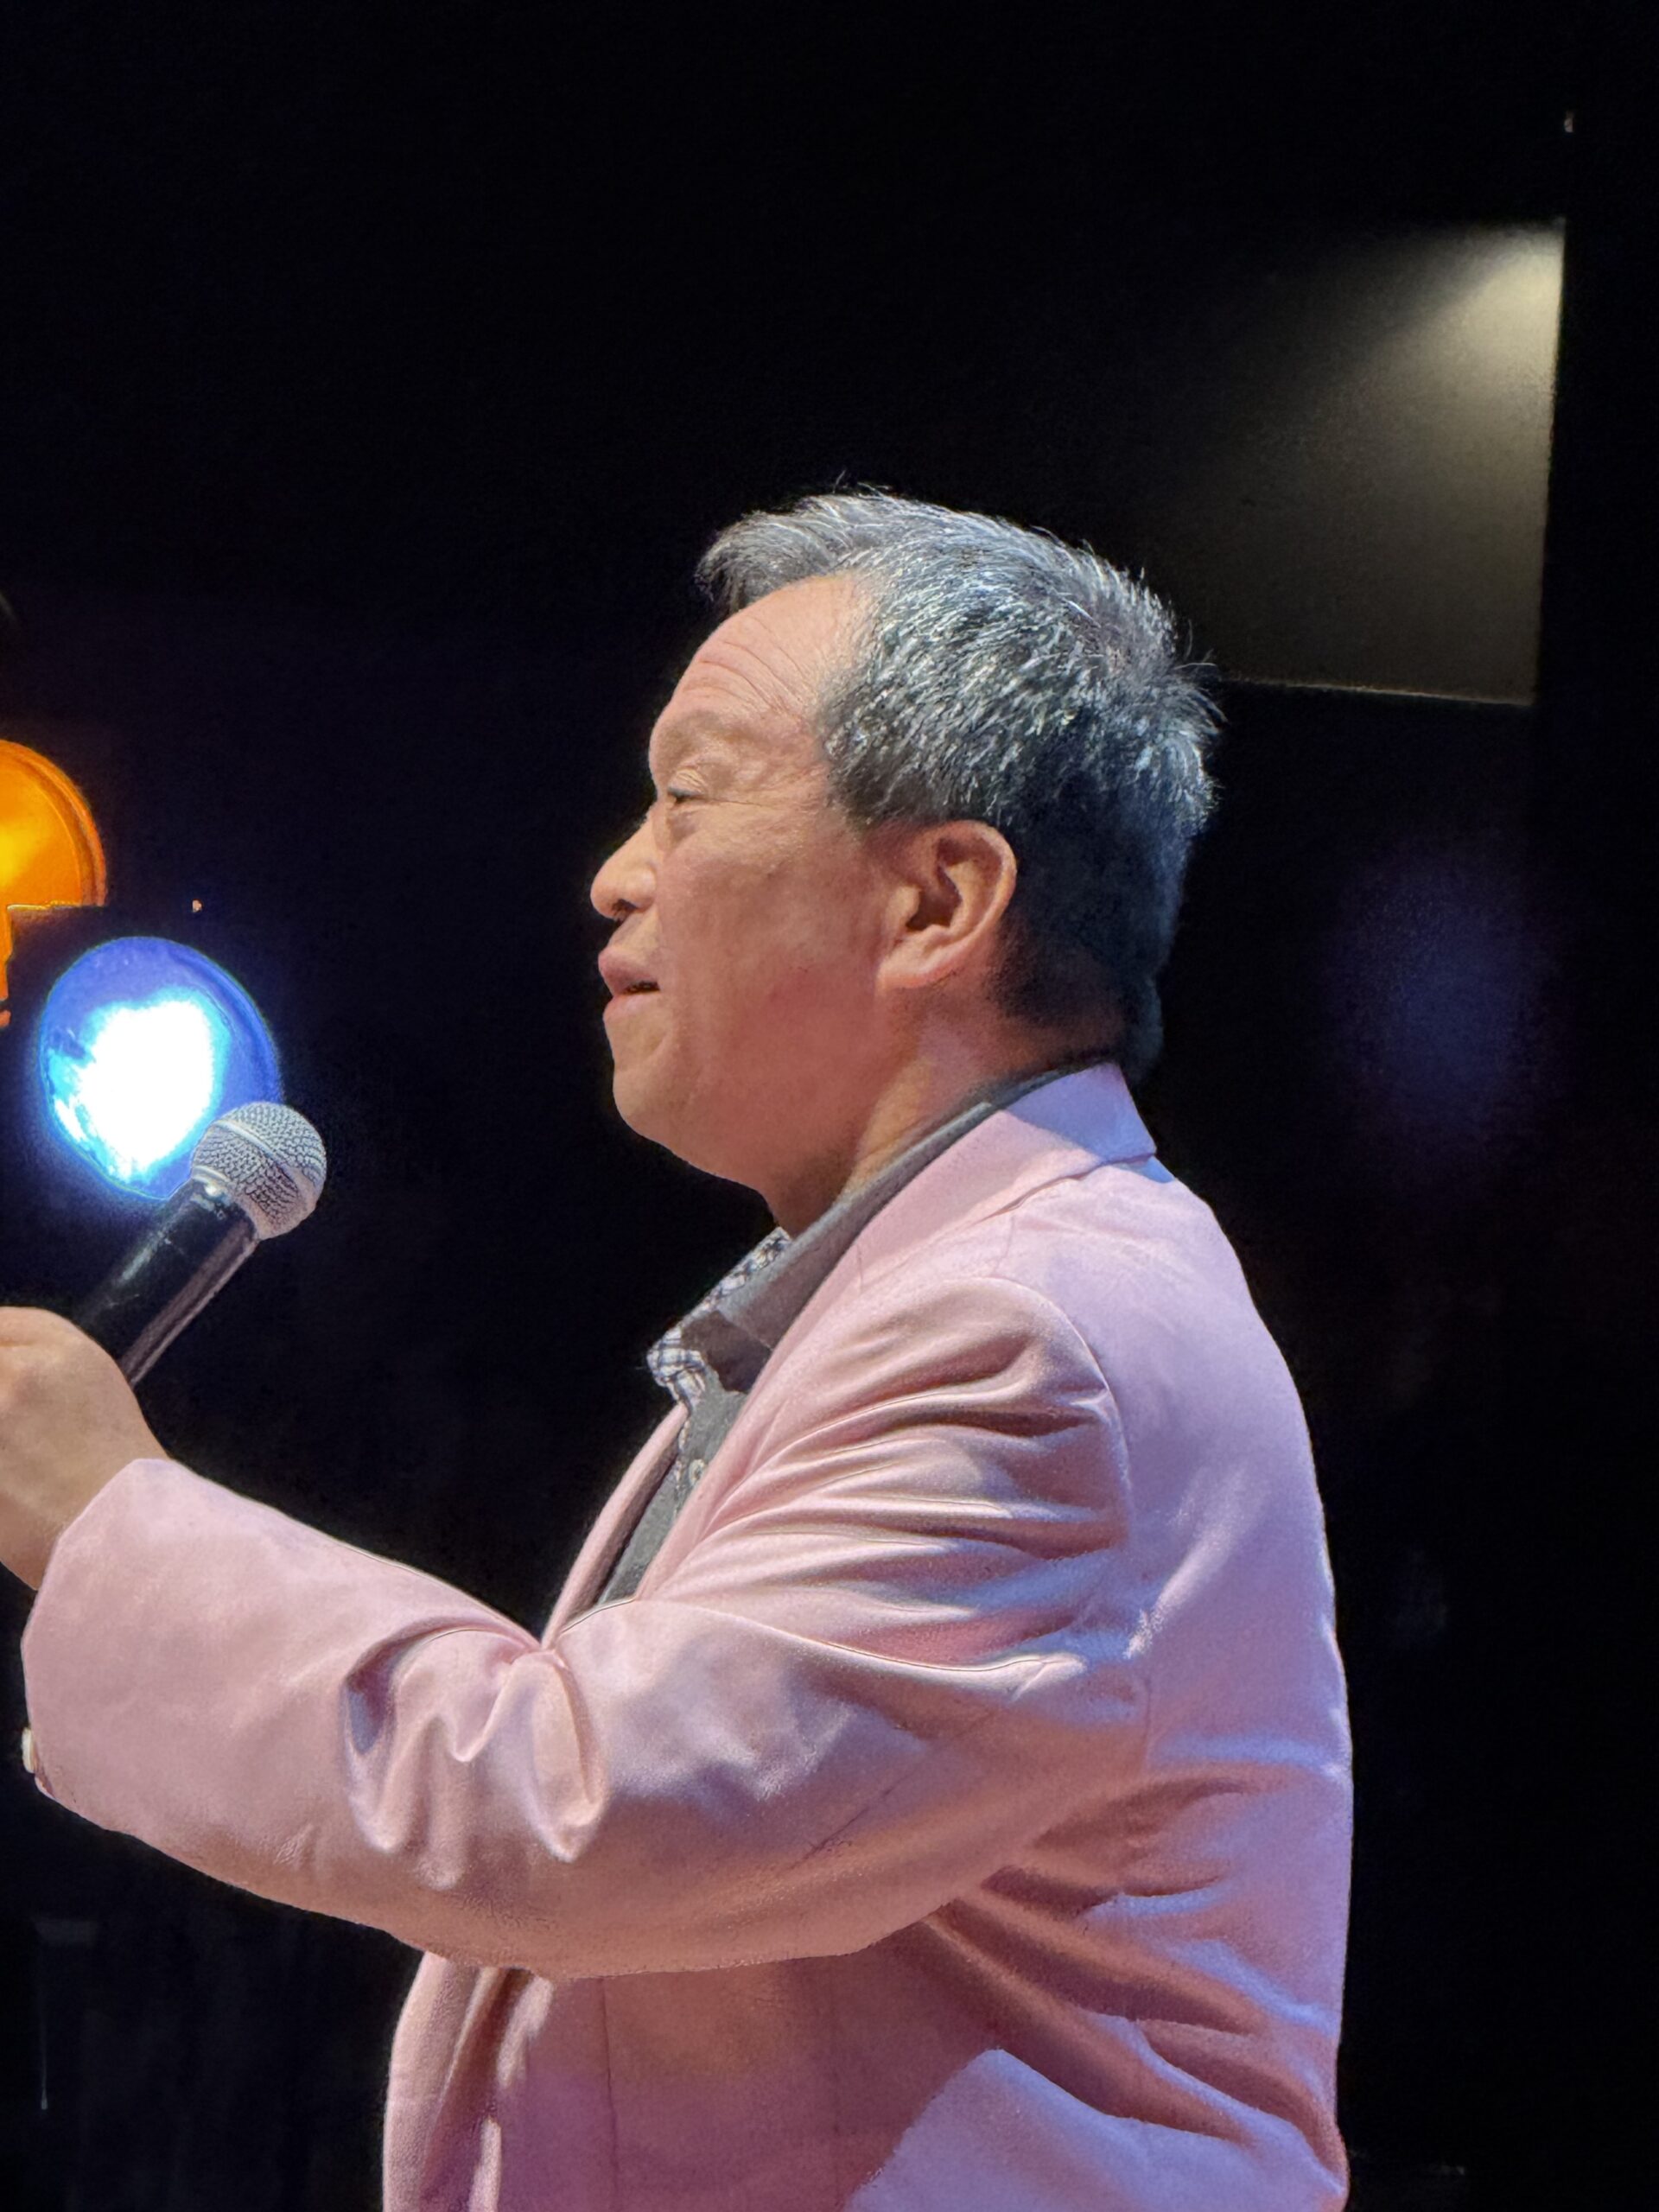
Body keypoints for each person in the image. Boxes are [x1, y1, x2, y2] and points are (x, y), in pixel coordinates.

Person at [0, 493, 1351, 2210]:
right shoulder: (954, 1289)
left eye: (690, 797)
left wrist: (105, 1517)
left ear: (939, 899)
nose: (617, 871)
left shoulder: (1037, 1339)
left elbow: (579, 1811)